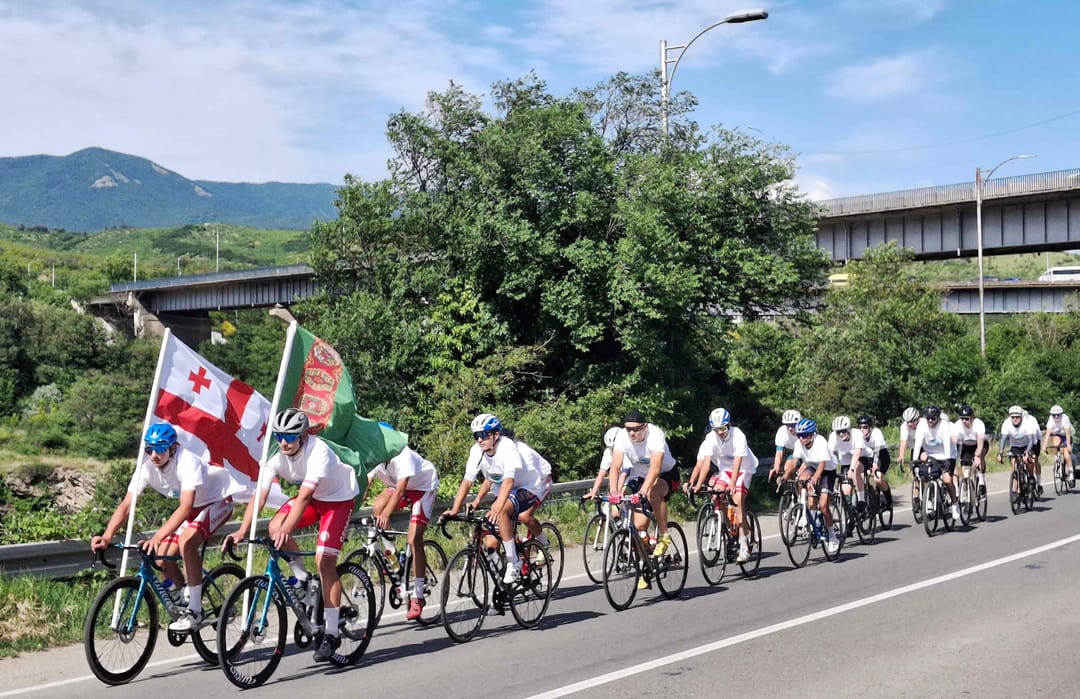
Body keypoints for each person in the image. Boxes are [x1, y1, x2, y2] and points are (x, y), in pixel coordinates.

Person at [227, 408, 360, 662]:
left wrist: (287, 531)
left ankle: (332, 633)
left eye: (289, 436)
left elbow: (305, 497)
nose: (284, 442)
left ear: (302, 435)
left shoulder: (318, 452)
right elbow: (260, 497)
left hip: (338, 500)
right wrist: (242, 530)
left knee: (324, 561)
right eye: (279, 436)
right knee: (275, 527)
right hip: (311, 498)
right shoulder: (278, 456)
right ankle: (304, 579)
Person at [90, 422, 244, 633]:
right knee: (162, 558)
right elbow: (127, 505)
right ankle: (184, 598)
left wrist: (157, 537)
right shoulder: (146, 468)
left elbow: (185, 506)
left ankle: (196, 610)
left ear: (173, 448)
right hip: (193, 508)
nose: (154, 454)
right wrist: (107, 536)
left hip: (217, 502)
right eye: (149, 449)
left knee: (186, 543)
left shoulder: (188, 461)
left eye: (160, 448)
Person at [441, 413, 546, 586]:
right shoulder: (476, 451)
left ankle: (514, 561)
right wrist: (454, 508)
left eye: (484, 435)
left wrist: (497, 508)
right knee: (491, 542)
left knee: (502, 510)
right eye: (476, 436)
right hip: (505, 489)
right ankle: (502, 589)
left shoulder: (508, 447)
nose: (480, 440)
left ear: (496, 434)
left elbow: (509, 480)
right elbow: (467, 481)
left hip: (527, 486)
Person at [363, 427, 440, 622]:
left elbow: (400, 490)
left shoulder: (404, 455)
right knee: (377, 506)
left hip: (423, 488)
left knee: (414, 539)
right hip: (399, 486)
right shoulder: (376, 456)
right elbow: (365, 484)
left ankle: (418, 595)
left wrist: (387, 514)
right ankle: (394, 558)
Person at [609, 410, 680, 588]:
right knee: (638, 527)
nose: (632, 433)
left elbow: (655, 468)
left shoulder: (656, 435)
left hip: (665, 474)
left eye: (636, 429)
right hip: (641, 476)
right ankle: (646, 565)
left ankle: (664, 535)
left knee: (653, 493)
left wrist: (642, 492)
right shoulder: (623, 437)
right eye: (628, 429)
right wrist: (613, 492)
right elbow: (615, 466)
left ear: (645, 427)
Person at [686, 408, 759, 562]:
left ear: (729, 425)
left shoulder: (738, 435)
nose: (720, 432)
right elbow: (705, 464)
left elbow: (738, 461)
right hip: (725, 469)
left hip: (744, 469)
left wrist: (733, 484)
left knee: (737, 501)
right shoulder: (710, 438)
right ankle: (728, 527)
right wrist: (698, 484)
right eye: (716, 429)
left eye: (723, 428)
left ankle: (744, 544)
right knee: (716, 495)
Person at [792, 418, 840, 554]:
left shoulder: (821, 441)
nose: (801, 438)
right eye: (799, 435)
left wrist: (815, 477)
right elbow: (794, 461)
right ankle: (807, 517)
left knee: (823, 506)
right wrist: (785, 476)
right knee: (801, 480)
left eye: (805, 435)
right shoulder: (798, 443)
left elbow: (823, 463)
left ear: (812, 434)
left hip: (827, 471)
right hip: (812, 466)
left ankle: (832, 536)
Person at [913, 405, 959, 521]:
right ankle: (929, 499)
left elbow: (948, 445)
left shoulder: (944, 426)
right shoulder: (921, 425)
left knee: (947, 480)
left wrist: (948, 460)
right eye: (928, 418)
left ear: (938, 418)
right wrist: (914, 461)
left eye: (933, 418)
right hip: (931, 454)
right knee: (926, 476)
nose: (930, 421)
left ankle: (954, 504)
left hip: (947, 454)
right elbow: (918, 444)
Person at [828, 415, 867, 524]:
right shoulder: (833, 437)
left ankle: (862, 501)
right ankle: (850, 516)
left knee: (856, 470)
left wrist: (852, 470)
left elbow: (858, 453)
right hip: (845, 461)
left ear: (849, 429)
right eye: (838, 432)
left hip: (862, 457)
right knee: (845, 490)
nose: (841, 434)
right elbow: (829, 455)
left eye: (843, 431)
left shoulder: (857, 434)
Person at [998, 405, 1035, 502]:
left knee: (1027, 460)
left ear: (1021, 417)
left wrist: (1027, 452)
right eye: (1013, 417)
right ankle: (1014, 491)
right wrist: (1000, 452)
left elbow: (1031, 440)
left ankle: (1031, 477)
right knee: (1014, 467)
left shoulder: (1027, 423)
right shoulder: (1006, 423)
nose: (1015, 419)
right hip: (1015, 446)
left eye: (1017, 417)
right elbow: (1003, 439)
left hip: (1027, 445)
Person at [856, 414, 893, 511]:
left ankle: (889, 501)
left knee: (878, 479)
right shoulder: (858, 435)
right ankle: (868, 495)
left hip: (881, 455)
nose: (862, 430)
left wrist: (875, 464)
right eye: (860, 427)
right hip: (867, 456)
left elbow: (877, 451)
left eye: (865, 427)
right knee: (859, 475)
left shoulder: (876, 433)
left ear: (870, 427)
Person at [952, 405, 988, 498]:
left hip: (980, 444)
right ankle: (966, 489)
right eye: (962, 419)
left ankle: (981, 481)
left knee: (980, 459)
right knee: (965, 468)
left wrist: (978, 456)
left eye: (967, 419)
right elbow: (954, 441)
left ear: (972, 418)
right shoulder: (957, 425)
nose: (964, 421)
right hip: (967, 446)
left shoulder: (978, 424)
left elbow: (980, 442)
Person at [585, 427, 621, 501]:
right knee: (614, 511)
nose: (613, 451)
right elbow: (602, 473)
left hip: (632, 479)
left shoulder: (629, 450)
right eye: (611, 448)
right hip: (617, 482)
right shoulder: (608, 452)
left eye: (614, 448)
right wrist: (594, 491)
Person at [768, 409, 802, 483]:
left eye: (793, 425)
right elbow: (779, 453)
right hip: (794, 453)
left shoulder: (804, 431)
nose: (790, 428)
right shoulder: (782, 431)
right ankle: (794, 491)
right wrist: (776, 467)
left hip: (808, 453)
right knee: (787, 468)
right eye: (787, 425)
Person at [1044, 404, 1074, 477]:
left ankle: (1071, 472)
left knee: (1066, 454)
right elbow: (1048, 432)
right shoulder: (1051, 419)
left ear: (1061, 414)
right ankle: (1057, 460)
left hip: (1067, 435)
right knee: (1055, 444)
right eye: (1054, 415)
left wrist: (1068, 445)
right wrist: (1044, 445)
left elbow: (1067, 432)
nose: (1056, 417)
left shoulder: (1065, 418)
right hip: (1057, 434)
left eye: (1058, 415)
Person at [897, 407, 921, 472]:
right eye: (907, 422)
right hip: (914, 448)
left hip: (926, 447)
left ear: (917, 419)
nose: (909, 424)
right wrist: (901, 456)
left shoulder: (923, 424)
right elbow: (903, 443)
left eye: (911, 421)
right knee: (914, 470)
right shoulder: (904, 426)